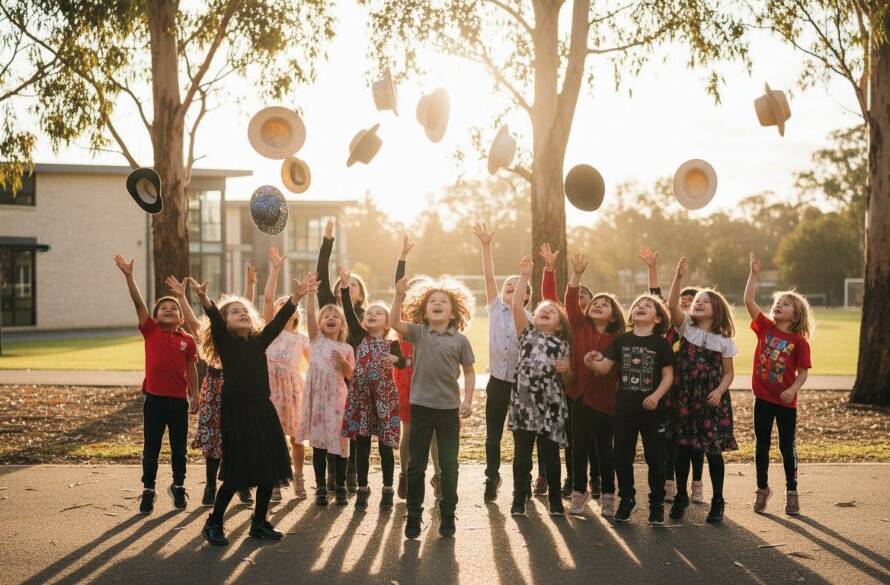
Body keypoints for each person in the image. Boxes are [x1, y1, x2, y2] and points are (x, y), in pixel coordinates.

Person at [194, 273, 317, 546]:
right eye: (234, 312)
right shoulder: (226, 343)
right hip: (236, 413)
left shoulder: (260, 341)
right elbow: (214, 320)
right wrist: (205, 300)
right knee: (237, 472)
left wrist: (296, 298)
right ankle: (214, 522)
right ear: (225, 323)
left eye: (245, 311)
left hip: (263, 409)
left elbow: (275, 324)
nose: (242, 313)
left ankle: (259, 522)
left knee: (268, 467)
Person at [390, 274, 476, 538]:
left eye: (443, 301)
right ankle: (414, 516)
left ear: (453, 313)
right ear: (424, 312)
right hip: (422, 408)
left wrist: (468, 400)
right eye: (432, 301)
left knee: (449, 466)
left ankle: (448, 516)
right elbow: (393, 322)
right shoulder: (418, 333)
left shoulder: (460, 340)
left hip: (449, 411)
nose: (437, 303)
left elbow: (470, 372)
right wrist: (398, 295)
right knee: (416, 465)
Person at [114, 255, 198, 515]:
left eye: (174, 308)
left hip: (178, 402)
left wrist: (194, 394)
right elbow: (138, 303)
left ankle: (179, 485)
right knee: (151, 447)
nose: (169, 310)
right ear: (155, 316)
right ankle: (149, 488)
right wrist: (129, 276)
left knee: (179, 449)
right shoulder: (150, 331)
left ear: (181, 318)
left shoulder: (187, 340)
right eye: (163, 309)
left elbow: (192, 367)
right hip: (154, 400)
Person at [585, 294, 674, 525]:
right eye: (637, 305)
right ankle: (627, 499)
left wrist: (655, 396)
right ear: (631, 315)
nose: (640, 307)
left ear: (657, 319)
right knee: (622, 458)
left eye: (648, 306)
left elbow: (668, 376)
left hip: (654, 412)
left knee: (656, 459)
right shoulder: (622, 340)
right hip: (624, 410)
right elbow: (604, 368)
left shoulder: (661, 344)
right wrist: (591, 360)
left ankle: (656, 505)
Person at [667, 257, 738, 523]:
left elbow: (729, 373)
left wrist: (719, 391)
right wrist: (678, 277)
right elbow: (672, 304)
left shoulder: (724, 340)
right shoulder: (686, 327)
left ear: (717, 309)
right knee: (682, 449)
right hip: (685, 397)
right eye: (696, 299)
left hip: (711, 399)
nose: (698, 302)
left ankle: (718, 499)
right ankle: (681, 496)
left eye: (704, 300)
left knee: (713, 451)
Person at [745, 253, 813, 516]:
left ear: (795, 315)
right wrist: (754, 274)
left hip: (785, 402)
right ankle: (762, 489)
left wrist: (792, 389)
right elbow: (749, 300)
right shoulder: (765, 328)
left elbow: (803, 373)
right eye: (777, 303)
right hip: (762, 399)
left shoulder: (799, 342)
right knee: (761, 445)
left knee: (787, 446)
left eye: (785, 304)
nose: (778, 306)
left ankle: (792, 491)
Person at [558, 252, 624, 517]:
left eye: (605, 304)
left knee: (605, 451)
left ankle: (609, 493)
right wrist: (577, 275)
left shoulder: (618, 339)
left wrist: (600, 362)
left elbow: (615, 370)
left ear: (613, 315)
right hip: (579, 399)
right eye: (595, 302)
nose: (598, 304)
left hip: (606, 402)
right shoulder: (579, 325)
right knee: (578, 448)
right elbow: (570, 302)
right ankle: (578, 491)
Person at [638, 246, 705, 503]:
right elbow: (655, 297)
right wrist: (652, 269)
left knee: (693, 440)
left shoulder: (702, 333)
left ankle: (697, 482)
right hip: (666, 391)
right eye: (683, 300)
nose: (686, 303)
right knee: (668, 438)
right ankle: (668, 483)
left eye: (693, 300)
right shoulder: (667, 329)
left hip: (690, 392)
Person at [508, 256, 572, 518]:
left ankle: (555, 499)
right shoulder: (528, 335)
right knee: (522, 453)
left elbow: (567, 383)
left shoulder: (564, 345)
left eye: (552, 311)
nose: (545, 311)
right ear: (533, 318)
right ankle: (519, 496)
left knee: (550, 454)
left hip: (552, 404)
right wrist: (524, 276)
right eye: (541, 309)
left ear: (559, 323)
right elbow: (515, 306)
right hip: (524, 402)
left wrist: (567, 369)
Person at [472, 221, 531, 503]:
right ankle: (491, 476)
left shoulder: (530, 319)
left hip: (521, 386)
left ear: (526, 295)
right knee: (492, 436)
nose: (510, 290)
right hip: (497, 383)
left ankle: (524, 480)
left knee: (521, 437)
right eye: (508, 287)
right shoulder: (495, 309)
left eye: (517, 287)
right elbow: (488, 277)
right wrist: (486, 246)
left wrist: (524, 275)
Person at [339, 265, 404, 511]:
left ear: (388, 323)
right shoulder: (358, 336)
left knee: (386, 446)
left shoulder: (392, 343)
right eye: (370, 313)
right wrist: (345, 288)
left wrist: (397, 360)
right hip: (362, 399)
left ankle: (388, 488)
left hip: (385, 399)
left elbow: (406, 363)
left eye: (379, 313)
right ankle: (363, 489)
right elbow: (348, 311)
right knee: (363, 445)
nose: (372, 315)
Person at [316, 217, 366, 492]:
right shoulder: (328, 311)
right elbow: (322, 273)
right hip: (329, 378)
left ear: (360, 295)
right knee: (330, 426)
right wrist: (327, 242)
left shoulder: (361, 319)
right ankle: (331, 475)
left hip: (352, 376)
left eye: (352, 286)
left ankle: (351, 473)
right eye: (342, 286)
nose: (345, 288)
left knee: (353, 428)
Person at [297, 289, 355, 506]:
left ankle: (340, 486)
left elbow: (352, 375)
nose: (331, 319)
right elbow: (310, 316)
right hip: (317, 401)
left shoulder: (346, 348)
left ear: (342, 324)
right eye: (326, 317)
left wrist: (345, 363)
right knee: (319, 445)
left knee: (341, 443)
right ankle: (321, 488)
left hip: (338, 400)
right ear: (320, 324)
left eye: (336, 317)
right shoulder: (316, 340)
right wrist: (311, 293)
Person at [263, 247, 312, 502]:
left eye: (290, 305)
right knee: (273, 437)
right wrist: (275, 270)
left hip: (294, 390)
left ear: (297, 313)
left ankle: (299, 476)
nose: (285, 308)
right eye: (282, 305)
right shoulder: (270, 331)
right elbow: (269, 300)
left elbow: (314, 363)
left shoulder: (301, 338)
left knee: (296, 438)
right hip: (271, 389)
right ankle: (273, 481)